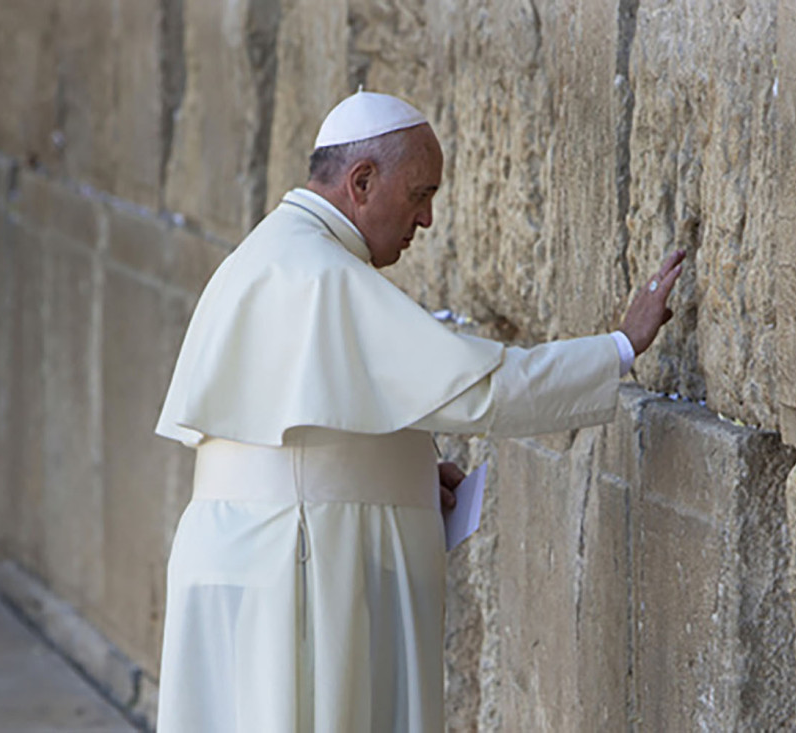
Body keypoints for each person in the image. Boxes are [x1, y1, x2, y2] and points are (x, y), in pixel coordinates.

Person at [153, 90, 684, 732]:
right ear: (363, 181)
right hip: (298, 567)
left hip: (258, 553)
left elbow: (292, 442)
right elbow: (482, 388)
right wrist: (620, 347)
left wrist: (398, 469)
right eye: (419, 193)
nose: (427, 219)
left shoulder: (271, 254)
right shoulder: (323, 274)